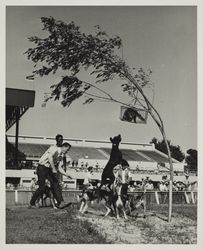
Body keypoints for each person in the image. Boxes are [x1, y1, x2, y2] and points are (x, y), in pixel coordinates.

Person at [29, 142, 72, 209]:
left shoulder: (62, 155)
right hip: (42, 167)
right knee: (42, 188)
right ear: (64, 147)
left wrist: (66, 174)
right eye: (67, 149)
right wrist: (53, 168)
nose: (68, 151)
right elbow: (50, 158)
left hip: (49, 169)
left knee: (55, 183)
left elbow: (59, 168)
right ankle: (32, 203)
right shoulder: (55, 149)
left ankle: (61, 202)